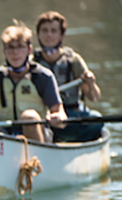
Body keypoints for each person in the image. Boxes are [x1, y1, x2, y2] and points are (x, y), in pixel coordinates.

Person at [32, 11, 103, 142]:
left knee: (96, 119)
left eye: (53, 31)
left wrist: (91, 83)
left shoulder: (73, 61)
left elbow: (94, 98)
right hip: (43, 117)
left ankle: (73, 144)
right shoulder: (31, 63)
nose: (49, 35)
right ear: (37, 34)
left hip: (70, 116)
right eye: (45, 30)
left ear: (62, 35)